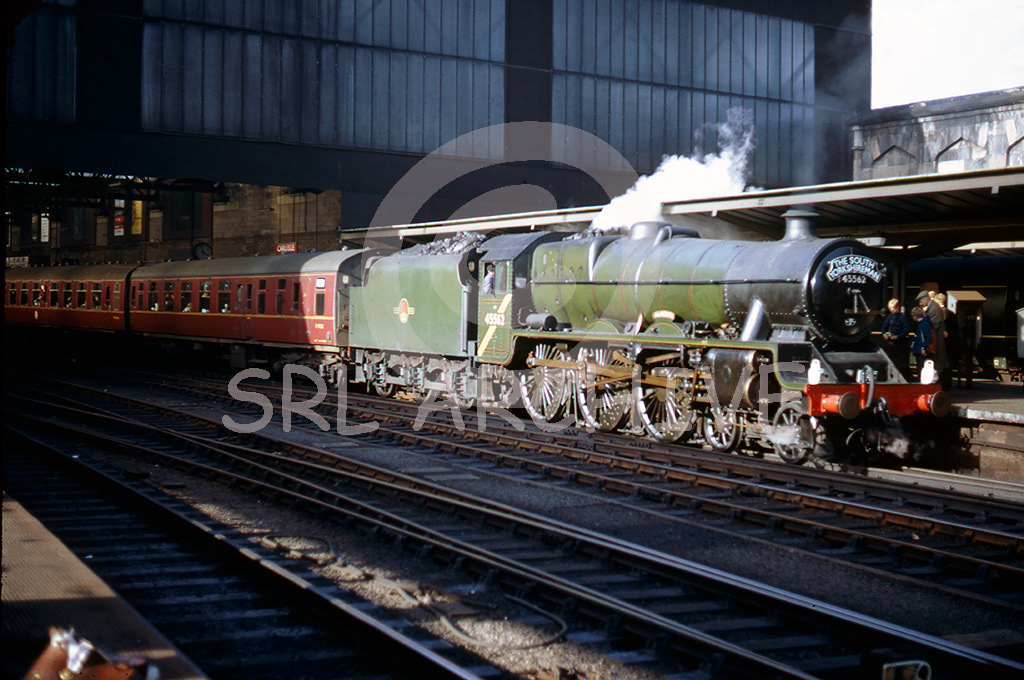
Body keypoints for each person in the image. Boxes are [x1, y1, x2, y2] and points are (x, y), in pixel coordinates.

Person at [920, 290, 949, 388]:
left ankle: (935, 387)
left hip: (935, 342)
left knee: (935, 365)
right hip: (934, 341)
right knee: (934, 365)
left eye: (921, 301)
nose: (920, 304)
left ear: (926, 299)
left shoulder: (934, 309)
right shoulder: (932, 308)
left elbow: (933, 326)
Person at [880, 298, 910, 378]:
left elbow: (906, 330)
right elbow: (883, 328)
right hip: (892, 342)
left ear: (897, 308)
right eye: (890, 309)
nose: (892, 311)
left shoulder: (902, 317)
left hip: (901, 342)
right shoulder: (890, 317)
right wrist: (884, 334)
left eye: (893, 309)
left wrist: (898, 336)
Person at [910, 304, 934, 379]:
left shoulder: (923, 325)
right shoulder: (923, 324)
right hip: (919, 349)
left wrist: (923, 346)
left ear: (915, 316)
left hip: (921, 350)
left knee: (920, 368)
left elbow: (929, 338)